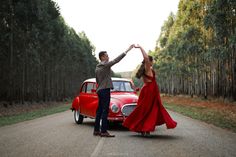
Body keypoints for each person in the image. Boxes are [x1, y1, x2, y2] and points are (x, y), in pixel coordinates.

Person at [122, 44, 177, 136]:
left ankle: (145, 129)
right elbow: (146, 57)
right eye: (153, 60)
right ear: (149, 61)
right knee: (147, 109)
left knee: (149, 110)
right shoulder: (147, 68)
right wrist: (140, 47)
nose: (153, 62)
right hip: (149, 91)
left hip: (148, 90)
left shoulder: (146, 69)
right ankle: (144, 128)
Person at [94, 44, 135, 137]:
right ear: (102, 57)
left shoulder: (97, 67)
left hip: (99, 90)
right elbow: (116, 60)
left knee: (99, 111)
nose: (108, 57)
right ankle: (104, 131)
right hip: (104, 90)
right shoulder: (105, 65)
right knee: (105, 111)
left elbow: (97, 80)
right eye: (107, 55)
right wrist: (127, 50)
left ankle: (96, 130)